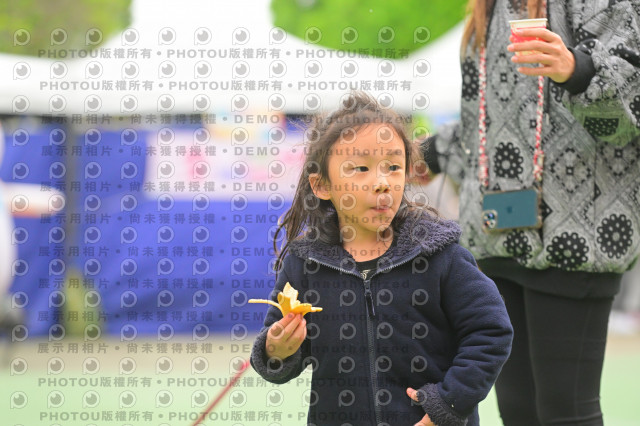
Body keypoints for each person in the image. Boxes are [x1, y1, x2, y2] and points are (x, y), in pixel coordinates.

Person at [421, 0, 640, 424]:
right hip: (498, 235)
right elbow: (482, 124)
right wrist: (426, 154)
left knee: (565, 410)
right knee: (517, 410)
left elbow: (630, 103)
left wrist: (577, 70)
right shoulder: (488, 8)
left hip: (578, 234)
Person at [250, 92, 513, 426]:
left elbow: (490, 332)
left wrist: (447, 405)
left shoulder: (440, 254)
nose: (382, 183)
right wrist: (277, 350)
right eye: (360, 168)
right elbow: (278, 354)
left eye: (393, 167)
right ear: (322, 185)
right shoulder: (305, 264)